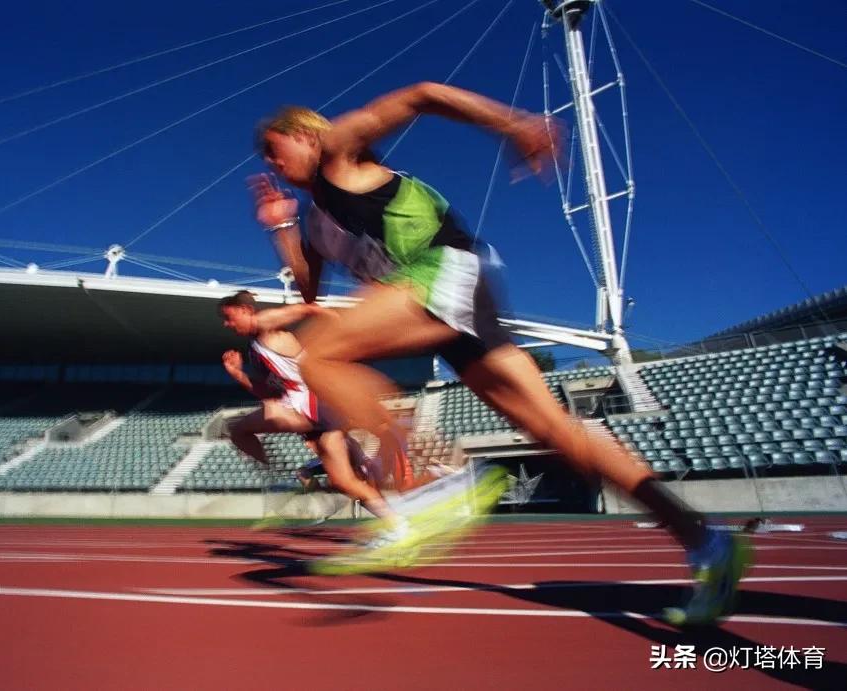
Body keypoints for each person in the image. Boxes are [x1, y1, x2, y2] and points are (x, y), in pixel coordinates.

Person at [248, 81, 750, 624]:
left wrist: (513, 122)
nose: (274, 166)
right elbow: (308, 290)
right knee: (558, 433)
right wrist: (282, 226)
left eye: (275, 151)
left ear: (302, 133)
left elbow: (420, 95)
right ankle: (709, 544)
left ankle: (438, 480)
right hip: (449, 316)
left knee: (318, 356)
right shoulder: (319, 221)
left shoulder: (340, 146)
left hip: (447, 270)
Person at [218, 290, 407, 545]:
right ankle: (398, 525)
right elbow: (267, 391)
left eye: (229, 318)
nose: (226, 324)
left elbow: (306, 309)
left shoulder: (265, 323)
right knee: (343, 481)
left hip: (313, 400)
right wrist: (238, 375)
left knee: (239, 427)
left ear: (245, 310)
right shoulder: (254, 349)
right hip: (313, 410)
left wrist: (336, 323)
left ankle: (279, 478)